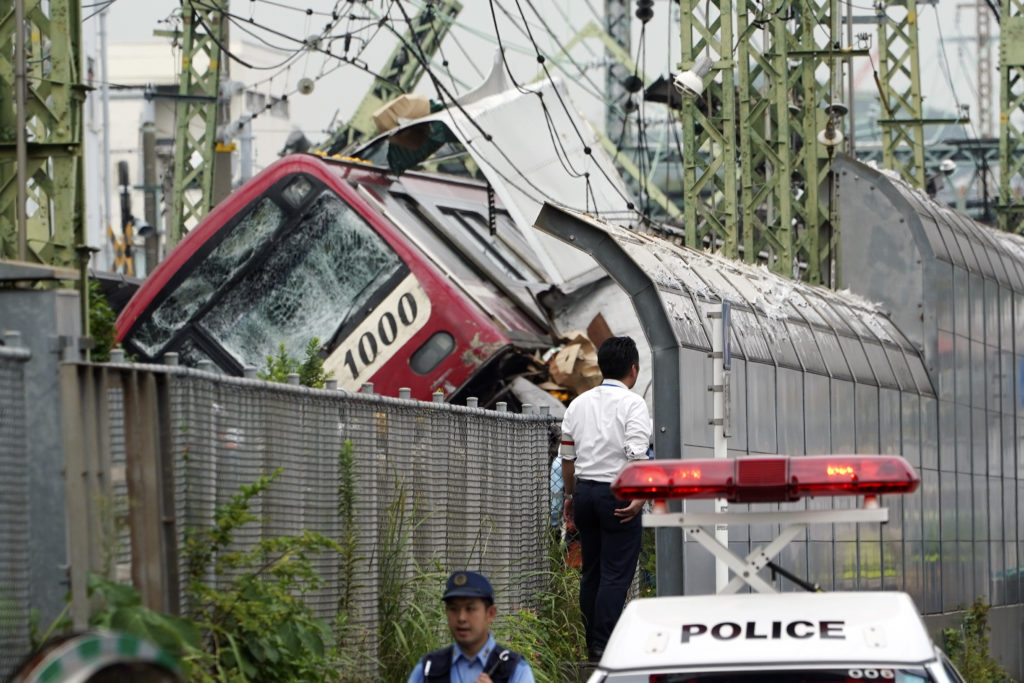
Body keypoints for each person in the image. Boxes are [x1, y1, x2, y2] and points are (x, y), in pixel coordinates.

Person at [560, 335, 651, 662]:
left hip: (585, 492)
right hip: (619, 494)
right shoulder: (633, 404)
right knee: (616, 574)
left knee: (593, 572)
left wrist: (570, 496)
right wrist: (640, 496)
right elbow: (637, 455)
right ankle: (604, 647)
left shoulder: (578, 403)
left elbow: (567, 458)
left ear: (601, 367)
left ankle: (592, 644)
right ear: (634, 369)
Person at [407, 570, 535, 683]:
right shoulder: (428, 669)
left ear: (490, 614)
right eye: (453, 609)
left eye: (470, 609)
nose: (461, 618)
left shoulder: (515, 670)